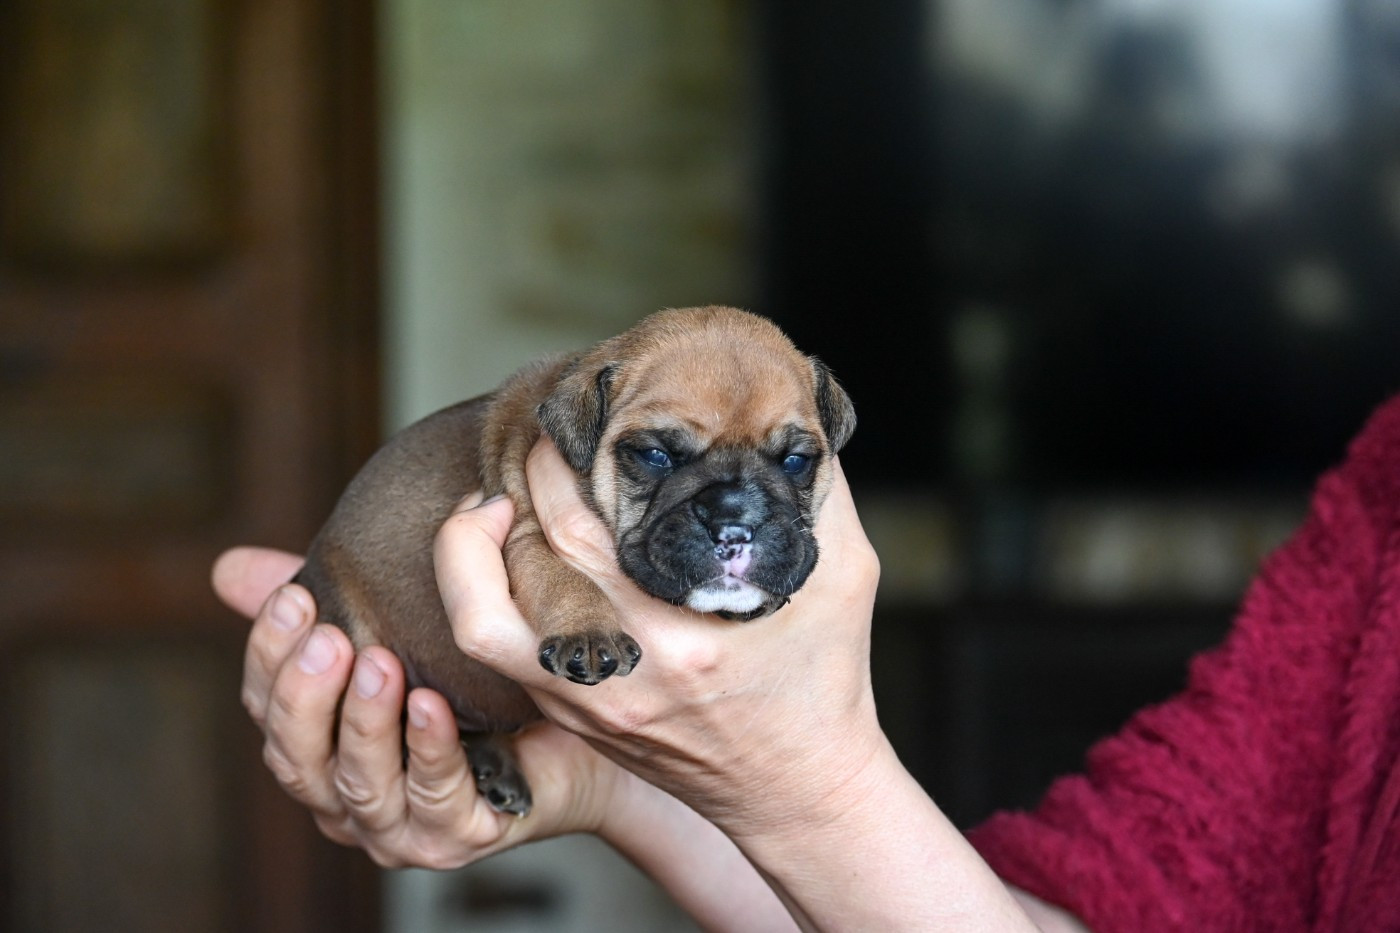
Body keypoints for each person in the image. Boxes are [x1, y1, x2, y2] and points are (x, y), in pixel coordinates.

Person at [213, 393, 1400, 932]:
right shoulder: (1378, 509)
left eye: (788, 464)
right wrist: (618, 771)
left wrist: (807, 774)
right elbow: (1076, 913)